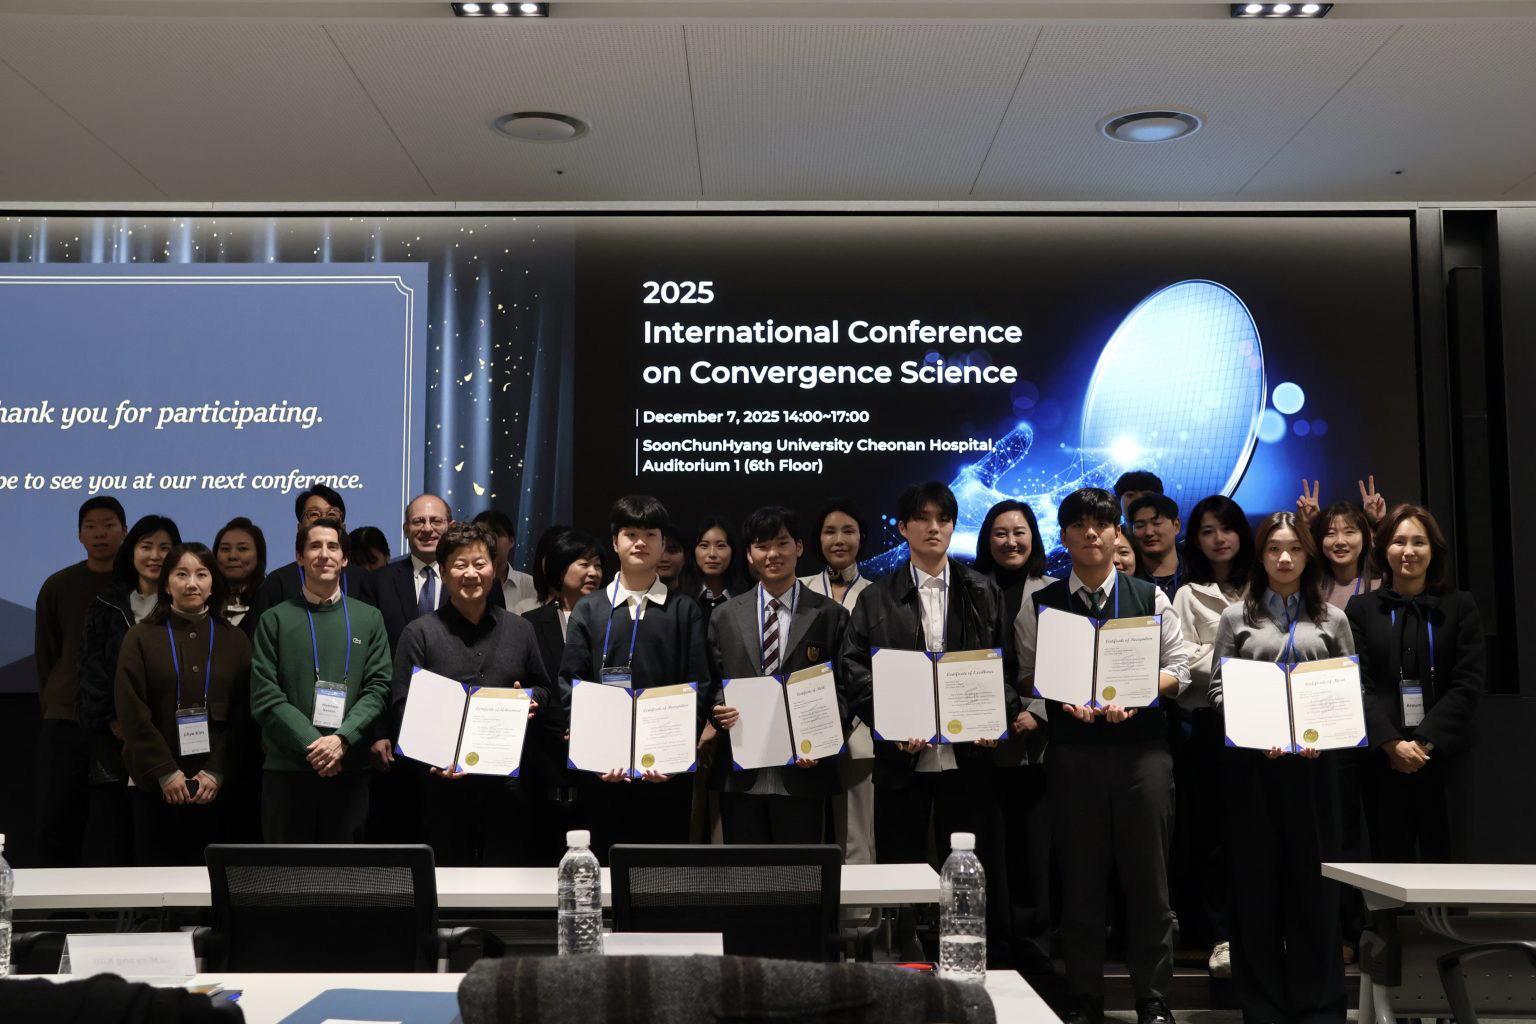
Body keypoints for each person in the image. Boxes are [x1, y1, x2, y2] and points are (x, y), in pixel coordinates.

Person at [1014, 487, 1188, 1024]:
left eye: (1102, 524)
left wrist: (1137, 692)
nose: (1091, 533)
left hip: (1142, 755)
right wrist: (1057, 697)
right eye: (1079, 525)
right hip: (1073, 754)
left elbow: (1179, 669)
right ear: (1064, 537)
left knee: (1149, 882)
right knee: (1080, 880)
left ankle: (1153, 998)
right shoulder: (1041, 603)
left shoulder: (1149, 597)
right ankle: (1084, 997)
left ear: (1118, 534)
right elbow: (1027, 674)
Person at [842, 482, 1018, 964]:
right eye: (922, 518)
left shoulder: (982, 589)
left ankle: (967, 960)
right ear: (903, 528)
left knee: (967, 866)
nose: (934, 527)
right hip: (902, 756)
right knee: (900, 862)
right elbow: (854, 671)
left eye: (943, 518)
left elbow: (1003, 666)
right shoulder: (876, 597)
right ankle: (901, 958)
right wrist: (890, 723)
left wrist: (995, 717)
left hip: (969, 755)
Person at [1209, 511, 1353, 1024]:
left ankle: (1319, 1007)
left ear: (1307, 555)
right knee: (1256, 890)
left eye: (1293, 548)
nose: (1284, 558)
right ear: (1262, 555)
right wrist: (1255, 729)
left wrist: (1324, 736)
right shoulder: (1236, 617)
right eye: (1274, 549)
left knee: (1315, 891)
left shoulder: (1333, 619)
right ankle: (1262, 1007)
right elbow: (1218, 688)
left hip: (1314, 771)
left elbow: (1348, 686)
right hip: (1254, 770)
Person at [558, 495, 710, 860]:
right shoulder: (589, 609)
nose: (640, 542)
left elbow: (700, 685)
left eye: (650, 534)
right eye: (630, 534)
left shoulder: (684, 610)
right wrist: (594, 751)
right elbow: (570, 683)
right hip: (603, 771)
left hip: (666, 773)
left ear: (663, 542)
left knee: (664, 869)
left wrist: (676, 755)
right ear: (615, 542)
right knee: (607, 864)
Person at [391, 523, 554, 865]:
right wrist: (436, 757)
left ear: (494, 569)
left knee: (506, 877)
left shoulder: (521, 629)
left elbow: (544, 687)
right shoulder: (419, 633)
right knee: (448, 878)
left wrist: (531, 699)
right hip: (443, 782)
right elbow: (403, 706)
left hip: (507, 782)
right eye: (460, 565)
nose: (471, 574)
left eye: (480, 564)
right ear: (443, 572)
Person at [1347, 504, 1484, 863]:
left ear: (1433, 550)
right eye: (1399, 541)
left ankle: (1444, 911)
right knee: (1389, 858)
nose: (1408, 551)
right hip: (1383, 757)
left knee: (1448, 858)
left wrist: (1424, 743)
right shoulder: (1360, 609)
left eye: (1418, 542)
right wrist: (1392, 745)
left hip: (1445, 754)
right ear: (1383, 550)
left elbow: (1467, 683)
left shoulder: (1460, 606)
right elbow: (1357, 683)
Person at [708, 506, 850, 843]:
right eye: (762, 546)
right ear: (749, 554)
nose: (772, 554)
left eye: (782, 543)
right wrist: (717, 710)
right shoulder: (725, 616)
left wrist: (824, 739)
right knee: (745, 872)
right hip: (741, 770)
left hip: (806, 770)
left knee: (800, 871)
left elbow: (845, 688)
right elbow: (713, 680)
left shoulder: (830, 614)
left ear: (798, 547)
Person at [249, 517, 391, 843]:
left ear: (345, 558)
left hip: (349, 770)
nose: (324, 554)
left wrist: (341, 740)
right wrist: (315, 745)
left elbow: (378, 688)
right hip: (287, 773)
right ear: (299, 557)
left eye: (333, 547)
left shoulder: (369, 618)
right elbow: (265, 696)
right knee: (286, 872)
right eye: (314, 546)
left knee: (343, 871)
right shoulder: (274, 619)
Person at [114, 543, 251, 866]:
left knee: (210, 882)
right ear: (166, 584)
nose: (192, 583)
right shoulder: (140, 637)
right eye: (181, 574)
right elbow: (132, 711)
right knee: (156, 880)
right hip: (154, 786)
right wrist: (165, 772)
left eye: (201, 574)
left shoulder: (235, 640)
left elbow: (244, 715)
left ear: (213, 583)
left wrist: (216, 771)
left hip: (216, 787)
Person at [1170, 495, 1255, 979]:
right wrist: (1243, 657)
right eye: (1207, 531)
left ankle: (1260, 929)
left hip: (1263, 721)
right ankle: (1220, 935)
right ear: (1196, 541)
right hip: (1208, 724)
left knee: (1255, 831)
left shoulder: (1264, 585)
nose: (1218, 539)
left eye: (1226, 528)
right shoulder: (1187, 595)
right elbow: (1184, 664)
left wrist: (1215, 653)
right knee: (1211, 834)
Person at [974, 498, 1056, 973]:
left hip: (1038, 741)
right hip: (981, 742)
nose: (1010, 542)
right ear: (987, 539)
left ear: (1034, 537)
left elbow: (1062, 665)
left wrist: (1037, 714)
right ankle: (994, 945)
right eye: (1000, 533)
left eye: (1019, 532)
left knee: (1033, 850)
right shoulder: (968, 588)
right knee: (987, 849)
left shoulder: (1053, 590)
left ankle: (1034, 950)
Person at [75, 513, 181, 867]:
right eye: (146, 546)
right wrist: (115, 719)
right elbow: (91, 670)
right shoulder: (107, 604)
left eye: (165, 548)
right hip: (115, 743)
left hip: (171, 742)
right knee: (115, 842)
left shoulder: (184, 606)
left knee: (163, 847)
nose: (155, 556)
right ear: (132, 551)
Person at [34, 495, 127, 867]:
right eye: (91, 526)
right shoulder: (58, 585)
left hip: (117, 724)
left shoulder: (133, 584)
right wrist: (55, 701)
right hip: (65, 719)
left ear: (124, 531)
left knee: (115, 822)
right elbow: (47, 653)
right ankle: (52, 899)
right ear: (79, 535)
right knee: (57, 818)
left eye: (108, 525)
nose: (99, 533)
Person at [798, 498, 875, 864]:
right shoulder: (797, 589)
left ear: (862, 537)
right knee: (804, 829)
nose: (839, 540)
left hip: (860, 727)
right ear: (817, 539)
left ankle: (861, 903)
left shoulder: (878, 595)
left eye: (848, 531)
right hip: (804, 727)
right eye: (830, 532)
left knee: (857, 830)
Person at [523, 529, 606, 862]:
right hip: (545, 762)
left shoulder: (613, 621)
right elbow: (533, 681)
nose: (593, 572)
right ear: (559, 570)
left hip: (600, 763)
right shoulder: (529, 624)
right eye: (583, 564)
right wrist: (566, 723)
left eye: (598, 565)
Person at [251, 484, 369, 617]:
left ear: (344, 528)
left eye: (331, 514)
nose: (323, 520)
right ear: (299, 528)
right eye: (314, 514)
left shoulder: (364, 581)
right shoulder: (277, 582)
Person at [1310, 501, 1381, 609]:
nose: (1340, 541)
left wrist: (1377, 522)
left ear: (1365, 538)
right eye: (1330, 533)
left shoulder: (1380, 586)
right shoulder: (1311, 589)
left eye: (1349, 532)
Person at [473, 509, 540, 611]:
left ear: (512, 541)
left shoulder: (530, 585)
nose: (490, 540)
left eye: (497, 534)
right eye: (483, 535)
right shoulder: (466, 580)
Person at [214, 517, 267, 637]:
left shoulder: (271, 600)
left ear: (259, 555)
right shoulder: (205, 603)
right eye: (225, 549)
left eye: (243, 548)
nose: (232, 556)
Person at [1128, 493, 1185, 602]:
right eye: (1140, 526)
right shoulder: (1127, 580)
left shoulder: (1200, 574)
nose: (1148, 532)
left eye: (1156, 523)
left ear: (1176, 526)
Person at [681, 515, 741, 614]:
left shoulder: (746, 599)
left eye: (721, 546)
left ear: (733, 551)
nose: (712, 554)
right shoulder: (680, 601)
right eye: (704, 545)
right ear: (693, 551)